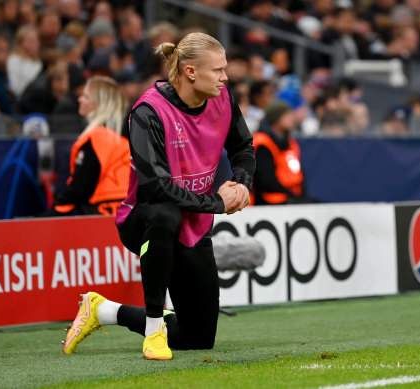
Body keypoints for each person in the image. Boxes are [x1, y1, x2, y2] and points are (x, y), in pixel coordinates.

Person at [62, 32, 255, 360]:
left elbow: (242, 146)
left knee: (198, 337)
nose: (226, 77)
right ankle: (153, 328)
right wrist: (217, 204)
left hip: (193, 222)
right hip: (144, 218)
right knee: (166, 212)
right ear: (190, 72)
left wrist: (241, 183)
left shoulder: (223, 99)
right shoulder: (147, 111)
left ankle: (102, 310)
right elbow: (156, 187)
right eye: (217, 70)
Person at [43, 75, 130, 216]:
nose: (79, 99)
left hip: (97, 215)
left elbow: (79, 189)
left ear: (97, 104)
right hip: (123, 214)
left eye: (85, 96)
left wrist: (53, 212)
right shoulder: (124, 138)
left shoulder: (95, 139)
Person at [251, 100, 308, 205]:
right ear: (276, 118)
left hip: (292, 196)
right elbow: (266, 181)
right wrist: (293, 196)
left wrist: (301, 197)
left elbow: (300, 174)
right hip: (270, 200)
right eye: (287, 115)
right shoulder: (262, 142)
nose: (292, 118)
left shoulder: (291, 143)